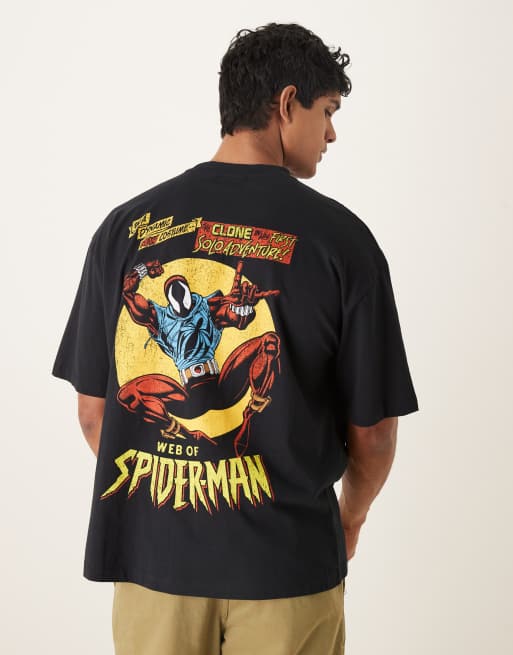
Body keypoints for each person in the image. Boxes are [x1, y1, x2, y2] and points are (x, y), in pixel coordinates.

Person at [51, 21, 419, 655]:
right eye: (328, 111)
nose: (331, 133)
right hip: (287, 565)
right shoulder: (341, 241)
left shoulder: (124, 229)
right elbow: (375, 433)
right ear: (287, 104)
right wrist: (349, 519)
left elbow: (94, 414)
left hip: (155, 564)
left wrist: (175, 491)